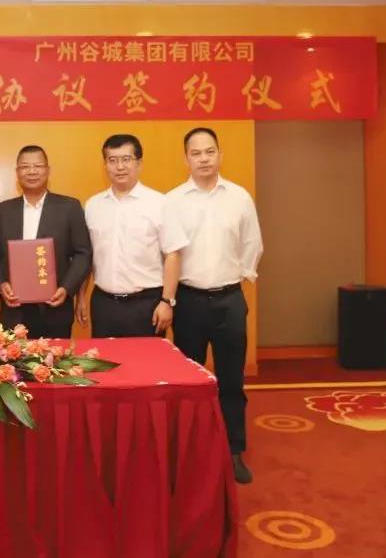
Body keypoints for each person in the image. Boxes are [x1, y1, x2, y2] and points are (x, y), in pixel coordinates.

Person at [166, 127, 263, 485]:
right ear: (186, 158)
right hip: (188, 302)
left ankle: (233, 451)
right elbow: (168, 252)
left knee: (231, 380)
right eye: (196, 153)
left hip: (229, 301)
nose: (204, 159)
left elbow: (253, 243)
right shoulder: (172, 201)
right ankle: (191, 450)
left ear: (220, 154)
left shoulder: (239, 197)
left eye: (209, 151)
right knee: (189, 382)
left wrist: (240, 276)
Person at [77, 134, 185, 337]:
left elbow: (173, 254)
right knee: (104, 357)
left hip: (147, 304)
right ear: (105, 165)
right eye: (112, 160)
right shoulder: (93, 205)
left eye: (126, 159)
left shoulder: (159, 203)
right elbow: (87, 256)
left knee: (146, 358)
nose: (119, 167)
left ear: (139, 163)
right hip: (104, 304)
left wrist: (167, 301)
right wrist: (81, 296)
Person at [0, 145, 92, 339]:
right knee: (14, 359)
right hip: (14, 310)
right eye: (25, 166)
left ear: (48, 170)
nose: (32, 171)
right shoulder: (2, 211)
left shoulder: (69, 207)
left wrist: (66, 288)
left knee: (56, 358)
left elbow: (83, 254)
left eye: (38, 166)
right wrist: (1, 284)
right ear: (17, 172)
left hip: (56, 309)